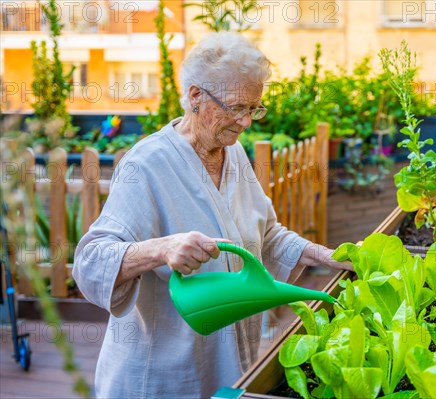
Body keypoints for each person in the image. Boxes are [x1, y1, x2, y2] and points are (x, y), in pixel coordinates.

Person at [73, 32, 352, 398]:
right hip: (160, 378)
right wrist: (162, 249)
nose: (246, 121)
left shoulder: (231, 152)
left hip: (227, 366)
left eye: (254, 108)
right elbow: (90, 261)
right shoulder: (147, 164)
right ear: (195, 96)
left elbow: (266, 234)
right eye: (236, 107)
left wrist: (325, 255)